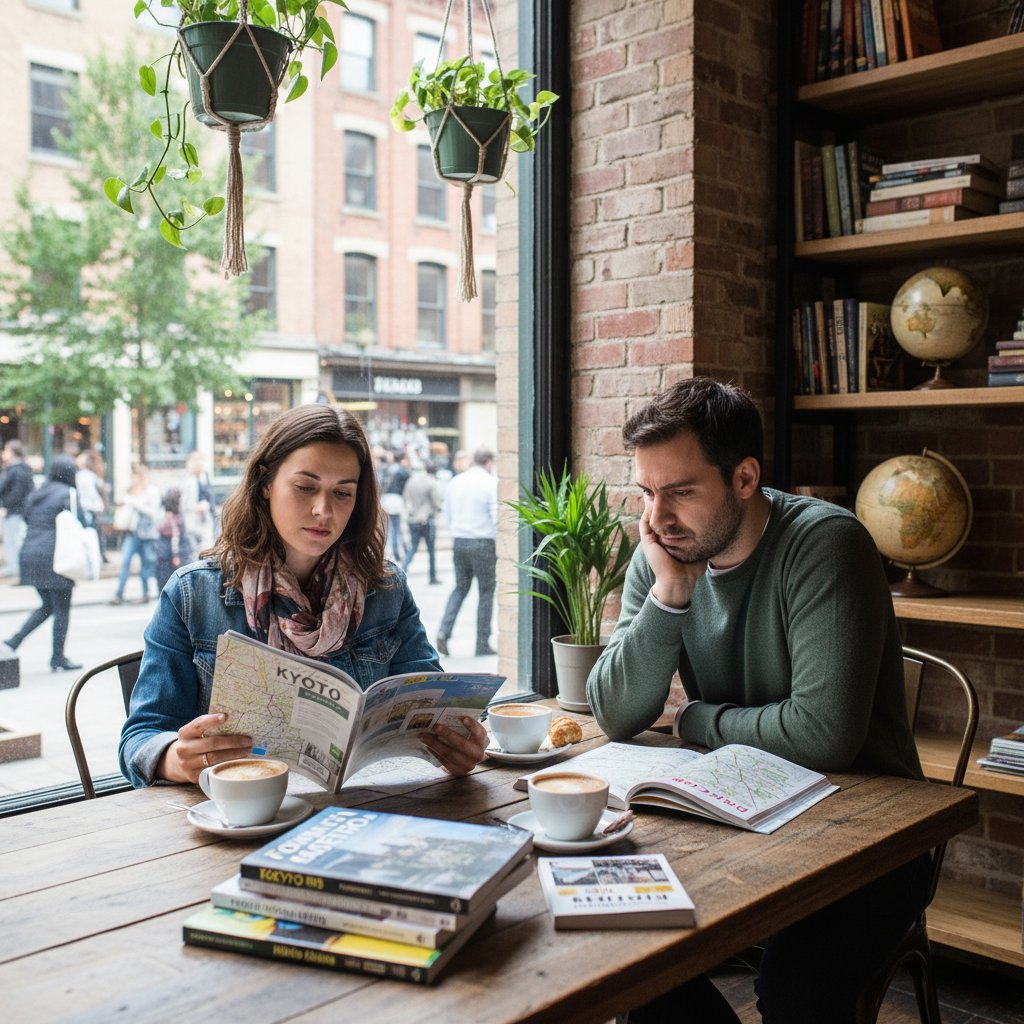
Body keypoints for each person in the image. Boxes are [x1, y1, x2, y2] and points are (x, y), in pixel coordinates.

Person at [587, 377, 929, 1024]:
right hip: (737, 813)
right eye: (648, 492)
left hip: (870, 836)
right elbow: (616, 712)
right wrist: (668, 596)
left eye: (681, 492)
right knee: (633, 962)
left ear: (745, 479)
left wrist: (691, 719)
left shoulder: (826, 543)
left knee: (797, 991)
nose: (657, 518)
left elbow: (823, 735)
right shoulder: (665, 552)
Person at [118, 404, 487, 789]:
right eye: (305, 487)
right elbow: (140, 738)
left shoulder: (385, 590)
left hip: (361, 808)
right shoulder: (193, 594)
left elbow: (434, 705)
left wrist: (457, 744)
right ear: (265, 484)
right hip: (242, 815)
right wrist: (175, 759)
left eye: (342, 493)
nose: (322, 510)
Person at [3, 455, 84, 671]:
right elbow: (81, 523)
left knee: (49, 605)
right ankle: (58, 657)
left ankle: (13, 641)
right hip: (57, 557)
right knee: (62, 609)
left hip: (31, 555)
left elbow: (27, 518)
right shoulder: (68, 493)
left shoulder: (37, 492)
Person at [436, 448, 498, 657]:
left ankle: (444, 631)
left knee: (460, 588)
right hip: (483, 543)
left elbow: (448, 514)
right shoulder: (490, 483)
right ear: (488, 462)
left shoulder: (456, 482)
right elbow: (496, 517)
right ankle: (482, 643)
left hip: (460, 542)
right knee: (486, 593)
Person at [110, 463, 162, 605]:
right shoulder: (131, 491)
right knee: (125, 562)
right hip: (132, 533)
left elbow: (153, 513)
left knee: (146, 565)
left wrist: (135, 503)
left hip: (147, 535)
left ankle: (146, 594)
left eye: (135, 476)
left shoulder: (152, 491)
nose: (133, 479)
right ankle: (118, 594)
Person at [401, 460, 444, 584]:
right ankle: (432, 577)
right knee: (431, 551)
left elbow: (406, 498)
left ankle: (402, 569)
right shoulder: (432, 483)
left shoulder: (411, 481)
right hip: (426, 520)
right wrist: (439, 509)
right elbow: (437, 503)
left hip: (412, 519)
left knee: (413, 547)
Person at [1, 440, 36, 579]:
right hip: (15, 510)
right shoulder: (16, 469)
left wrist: (4, 504)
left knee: (13, 539)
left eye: (6, 450)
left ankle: (15, 568)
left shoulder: (18, 470)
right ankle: (14, 567)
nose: (3, 453)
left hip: (16, 511)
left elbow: (18, 493)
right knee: (12, 539)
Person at [154, 487, 195, 592]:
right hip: (173, 557)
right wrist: (176, 557)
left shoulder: (163, 515)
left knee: (164, 588)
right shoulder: (175, 518)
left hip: (163, 556)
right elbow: (175, 540)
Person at [379, 450, 410, 564]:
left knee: (388, 528)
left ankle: (392, 551)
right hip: (396, 499)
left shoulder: (386, 469)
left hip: (385, 498)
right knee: (396, 527)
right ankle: (397, 552)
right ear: (402, 459)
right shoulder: (403, 471)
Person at [182, 450, 217, 551]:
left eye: (200, 460)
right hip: (191, 523)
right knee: (192, 553)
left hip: (206, 521)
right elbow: (183, 504)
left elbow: (210, 497)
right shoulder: (187, 480)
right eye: (195, 460)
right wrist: (196, 507)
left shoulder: (205, 477)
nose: (198, 463)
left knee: (207, 550)